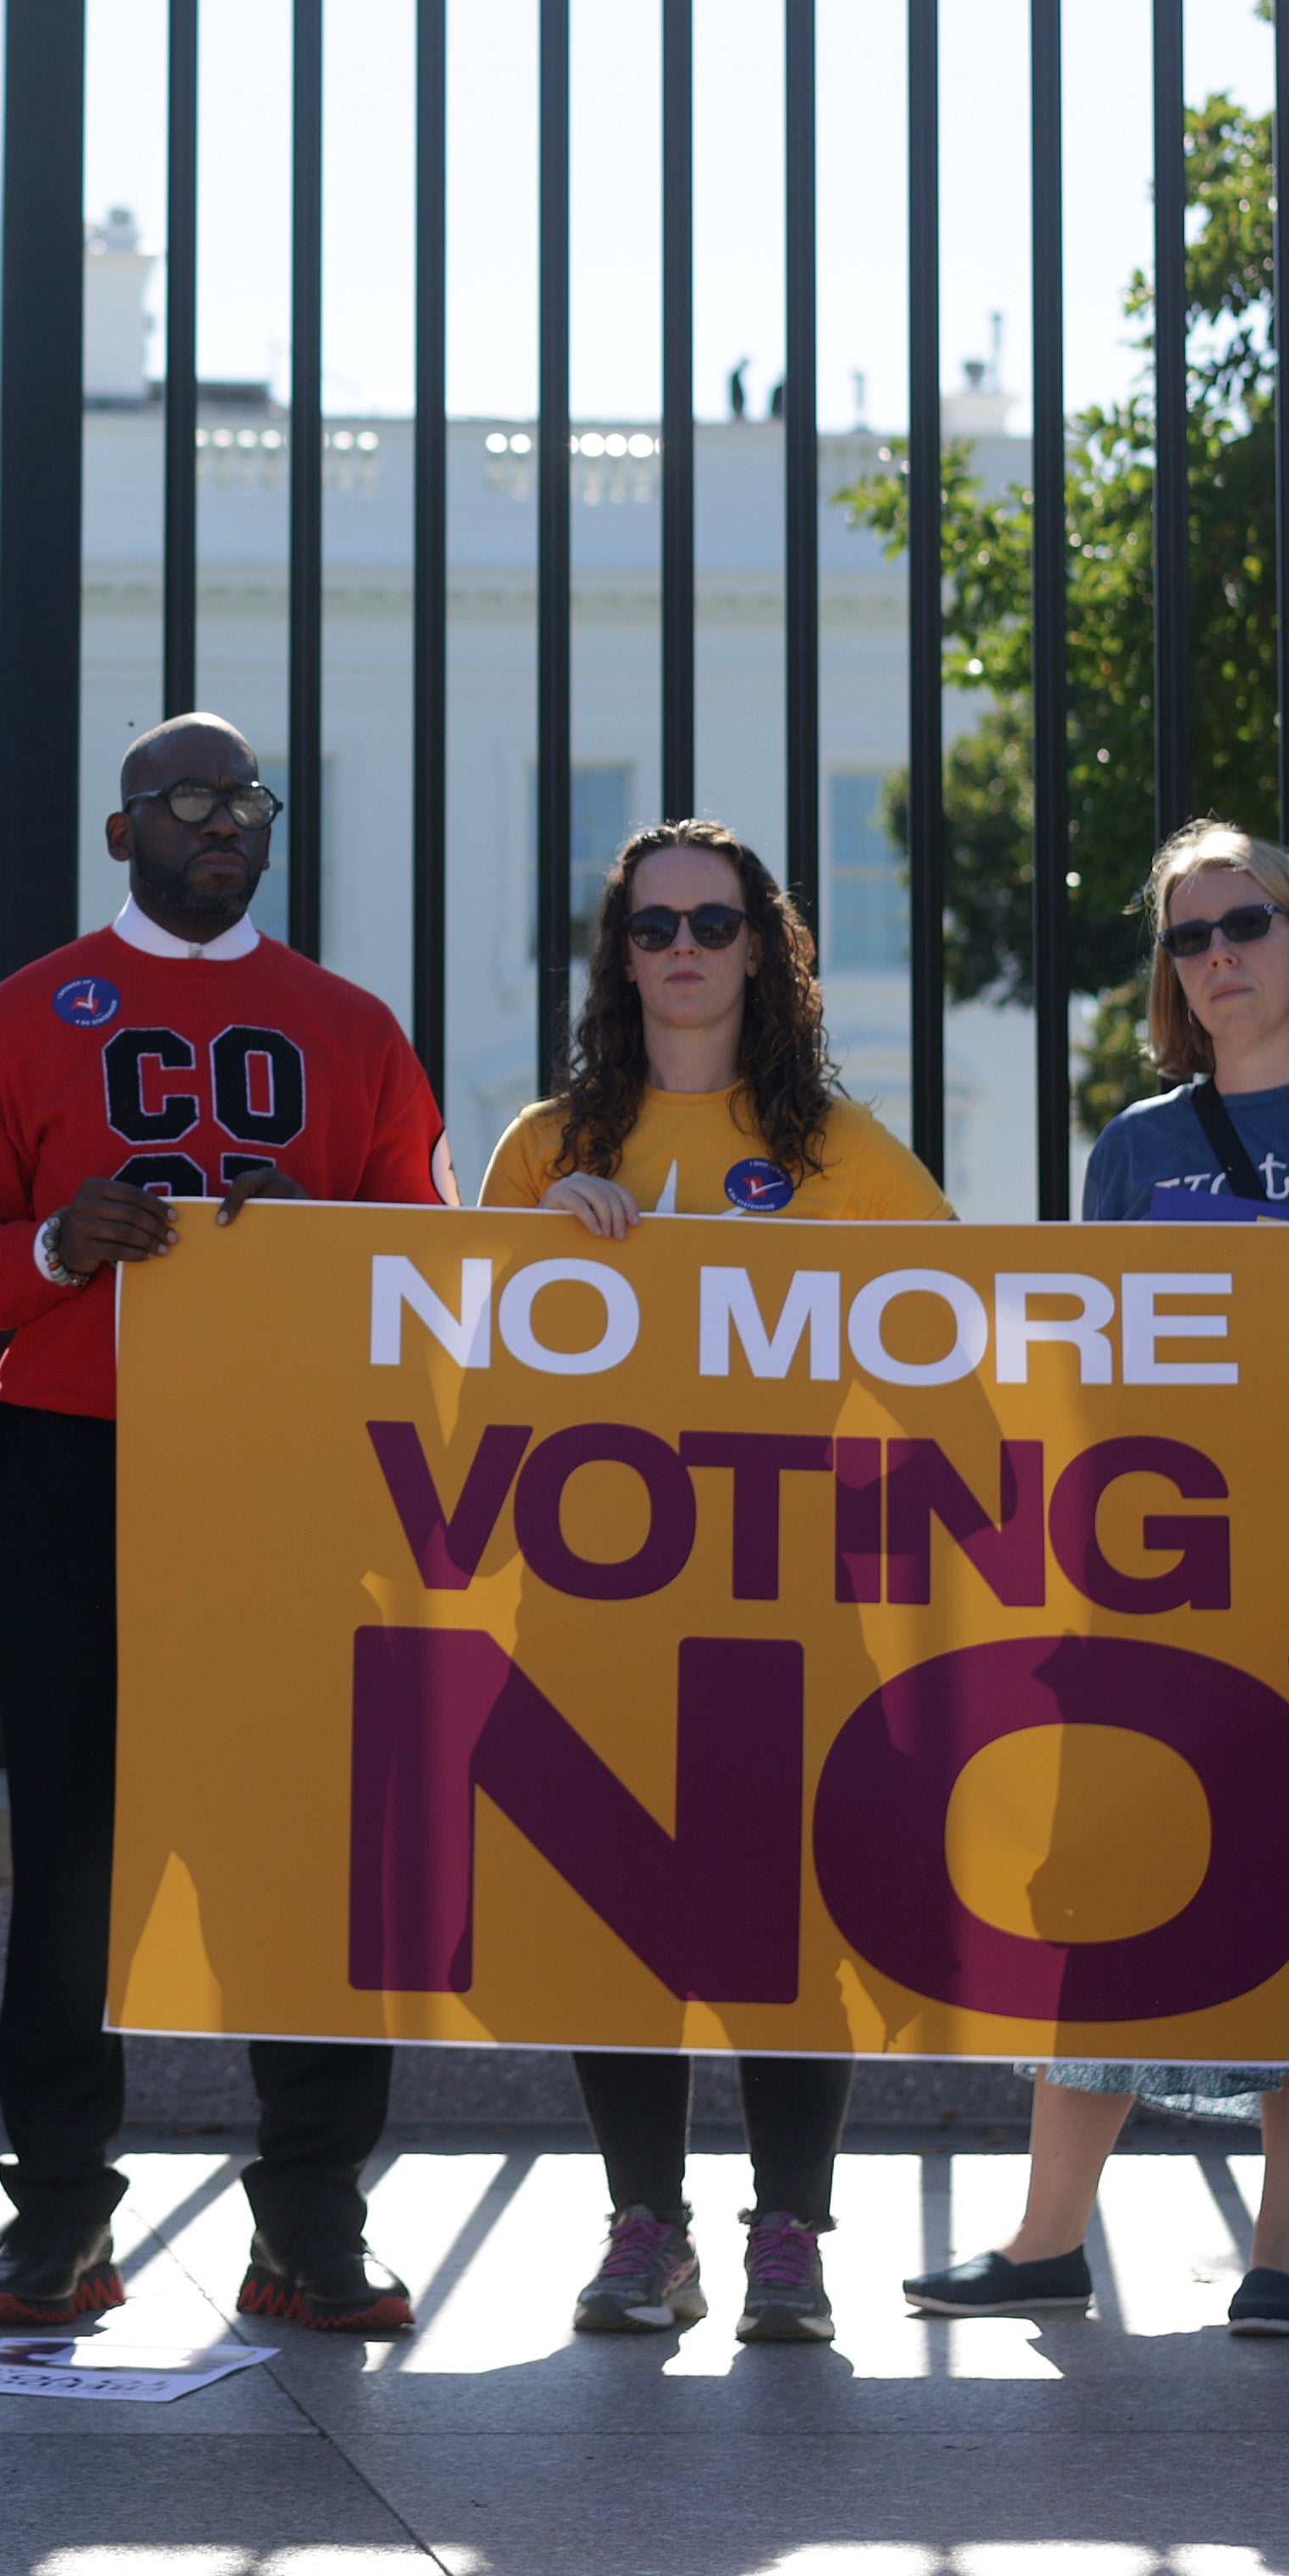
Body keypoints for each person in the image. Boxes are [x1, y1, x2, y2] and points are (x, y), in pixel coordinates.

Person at [0, 711, 449, 2337]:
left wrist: (318, 1251)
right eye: (190, 798)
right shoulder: (18, 1019)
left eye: (247, 799)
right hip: (78, 1452)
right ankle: (61, 2214)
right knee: (74, 1848)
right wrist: (59, 1247)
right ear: (123, 828)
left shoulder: (349, 1028)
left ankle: (315, 2223)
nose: (224, 820)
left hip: (289, 1471)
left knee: (305, 1844)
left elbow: (426, 1278)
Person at [909, 820, 1289, 2334]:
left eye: (1245, 923)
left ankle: (1285, 2259)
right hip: (1172, 1579)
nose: (1219, 955)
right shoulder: (1137, 1147)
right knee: (1108, 1892)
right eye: (1188, 936)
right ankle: (1047, 2240)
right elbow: (1093, 1376)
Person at [481, 821, 934, 2346]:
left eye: (714, 922)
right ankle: (644, 2230)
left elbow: (956, 1354)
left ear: (764, 948)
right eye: (653, 922)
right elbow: (462, 1377)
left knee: (787, 1926)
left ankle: (790, 2236)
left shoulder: (843, 1153)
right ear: (621, 953)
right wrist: (548, 1252)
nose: (683, 945)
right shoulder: (545, 1149)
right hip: (595, 1599)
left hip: (788, 1590)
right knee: (627, 1922)